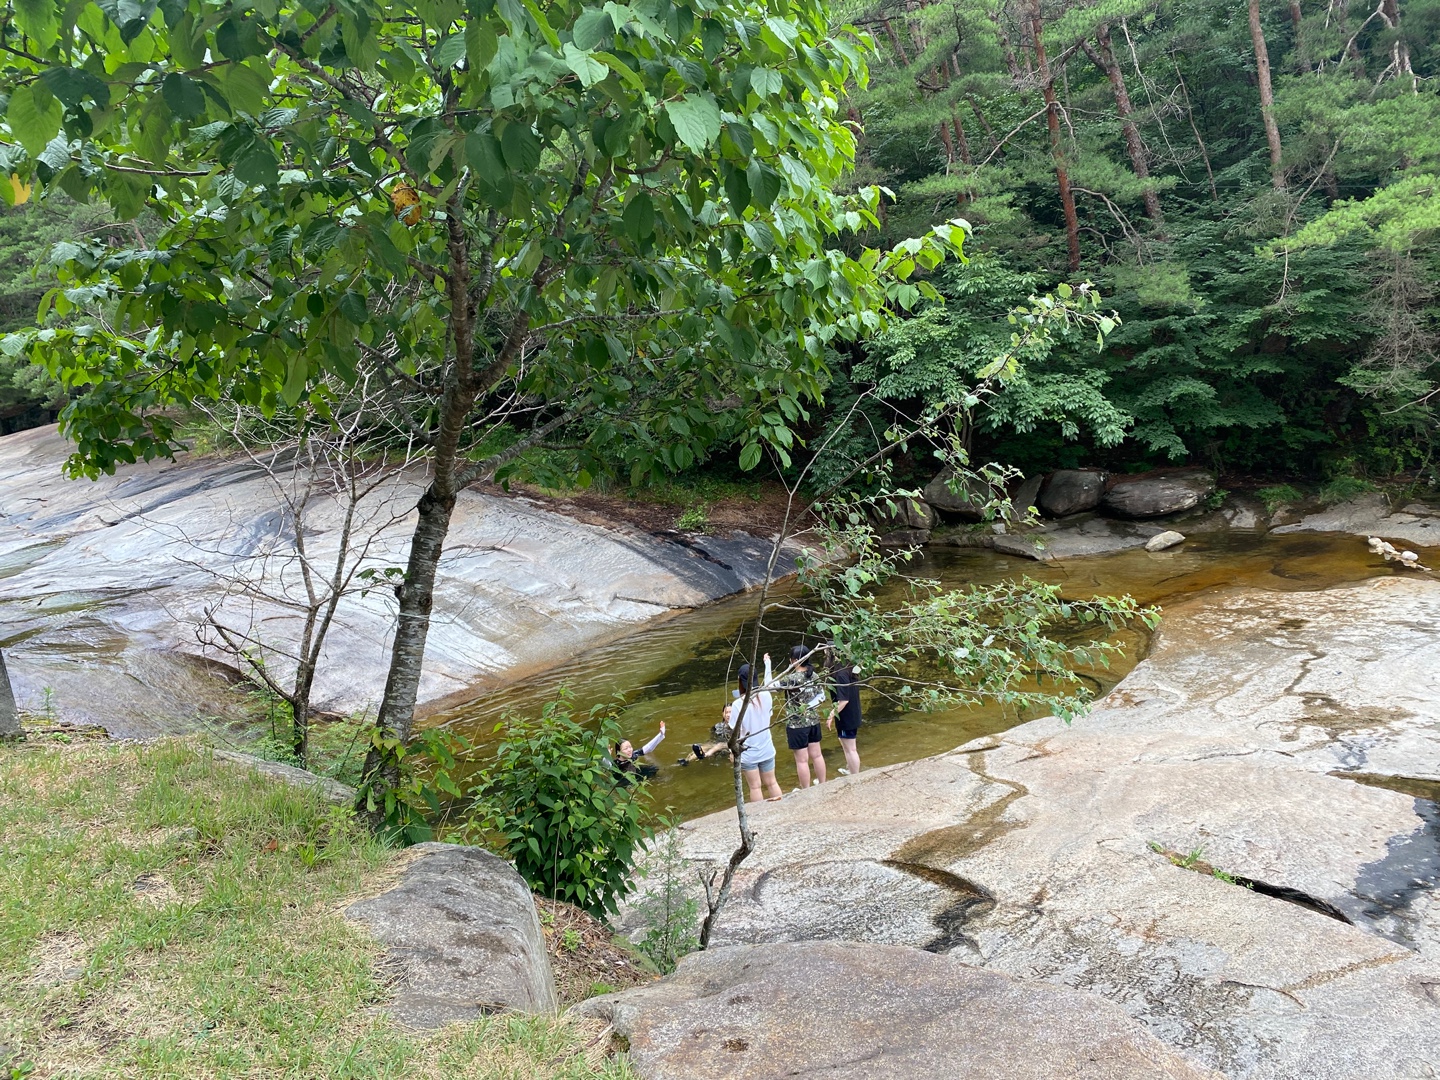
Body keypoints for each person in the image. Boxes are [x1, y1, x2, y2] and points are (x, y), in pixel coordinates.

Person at [724, 655, 783, 802]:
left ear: (740, 681)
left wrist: (732, 751)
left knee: (755, 787)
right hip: (767, 747)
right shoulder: (766, 696)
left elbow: (733, 731)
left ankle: (759, 817)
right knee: (772, 782)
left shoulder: (738, 704)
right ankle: (781, 810)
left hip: (748, 752)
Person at [777, 643, 826, 788]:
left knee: (801, 760)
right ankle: (823, 783)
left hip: (796, 723)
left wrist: (767, 666)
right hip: (813, 720)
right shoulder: (814, 675)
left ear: (795, 660)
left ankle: (806, 789)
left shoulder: (791, 678)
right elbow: (821, 696)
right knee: (817, 754)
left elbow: (771, 687)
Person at [827, 650, 863, 775]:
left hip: (846, 716)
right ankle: (852, 770)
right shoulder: (849, 667)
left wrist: (831, 715)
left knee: (850, 749)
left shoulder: (841, 674)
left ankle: (855, 776)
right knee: (849, 747)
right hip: (853, 713)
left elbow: (843, 701)